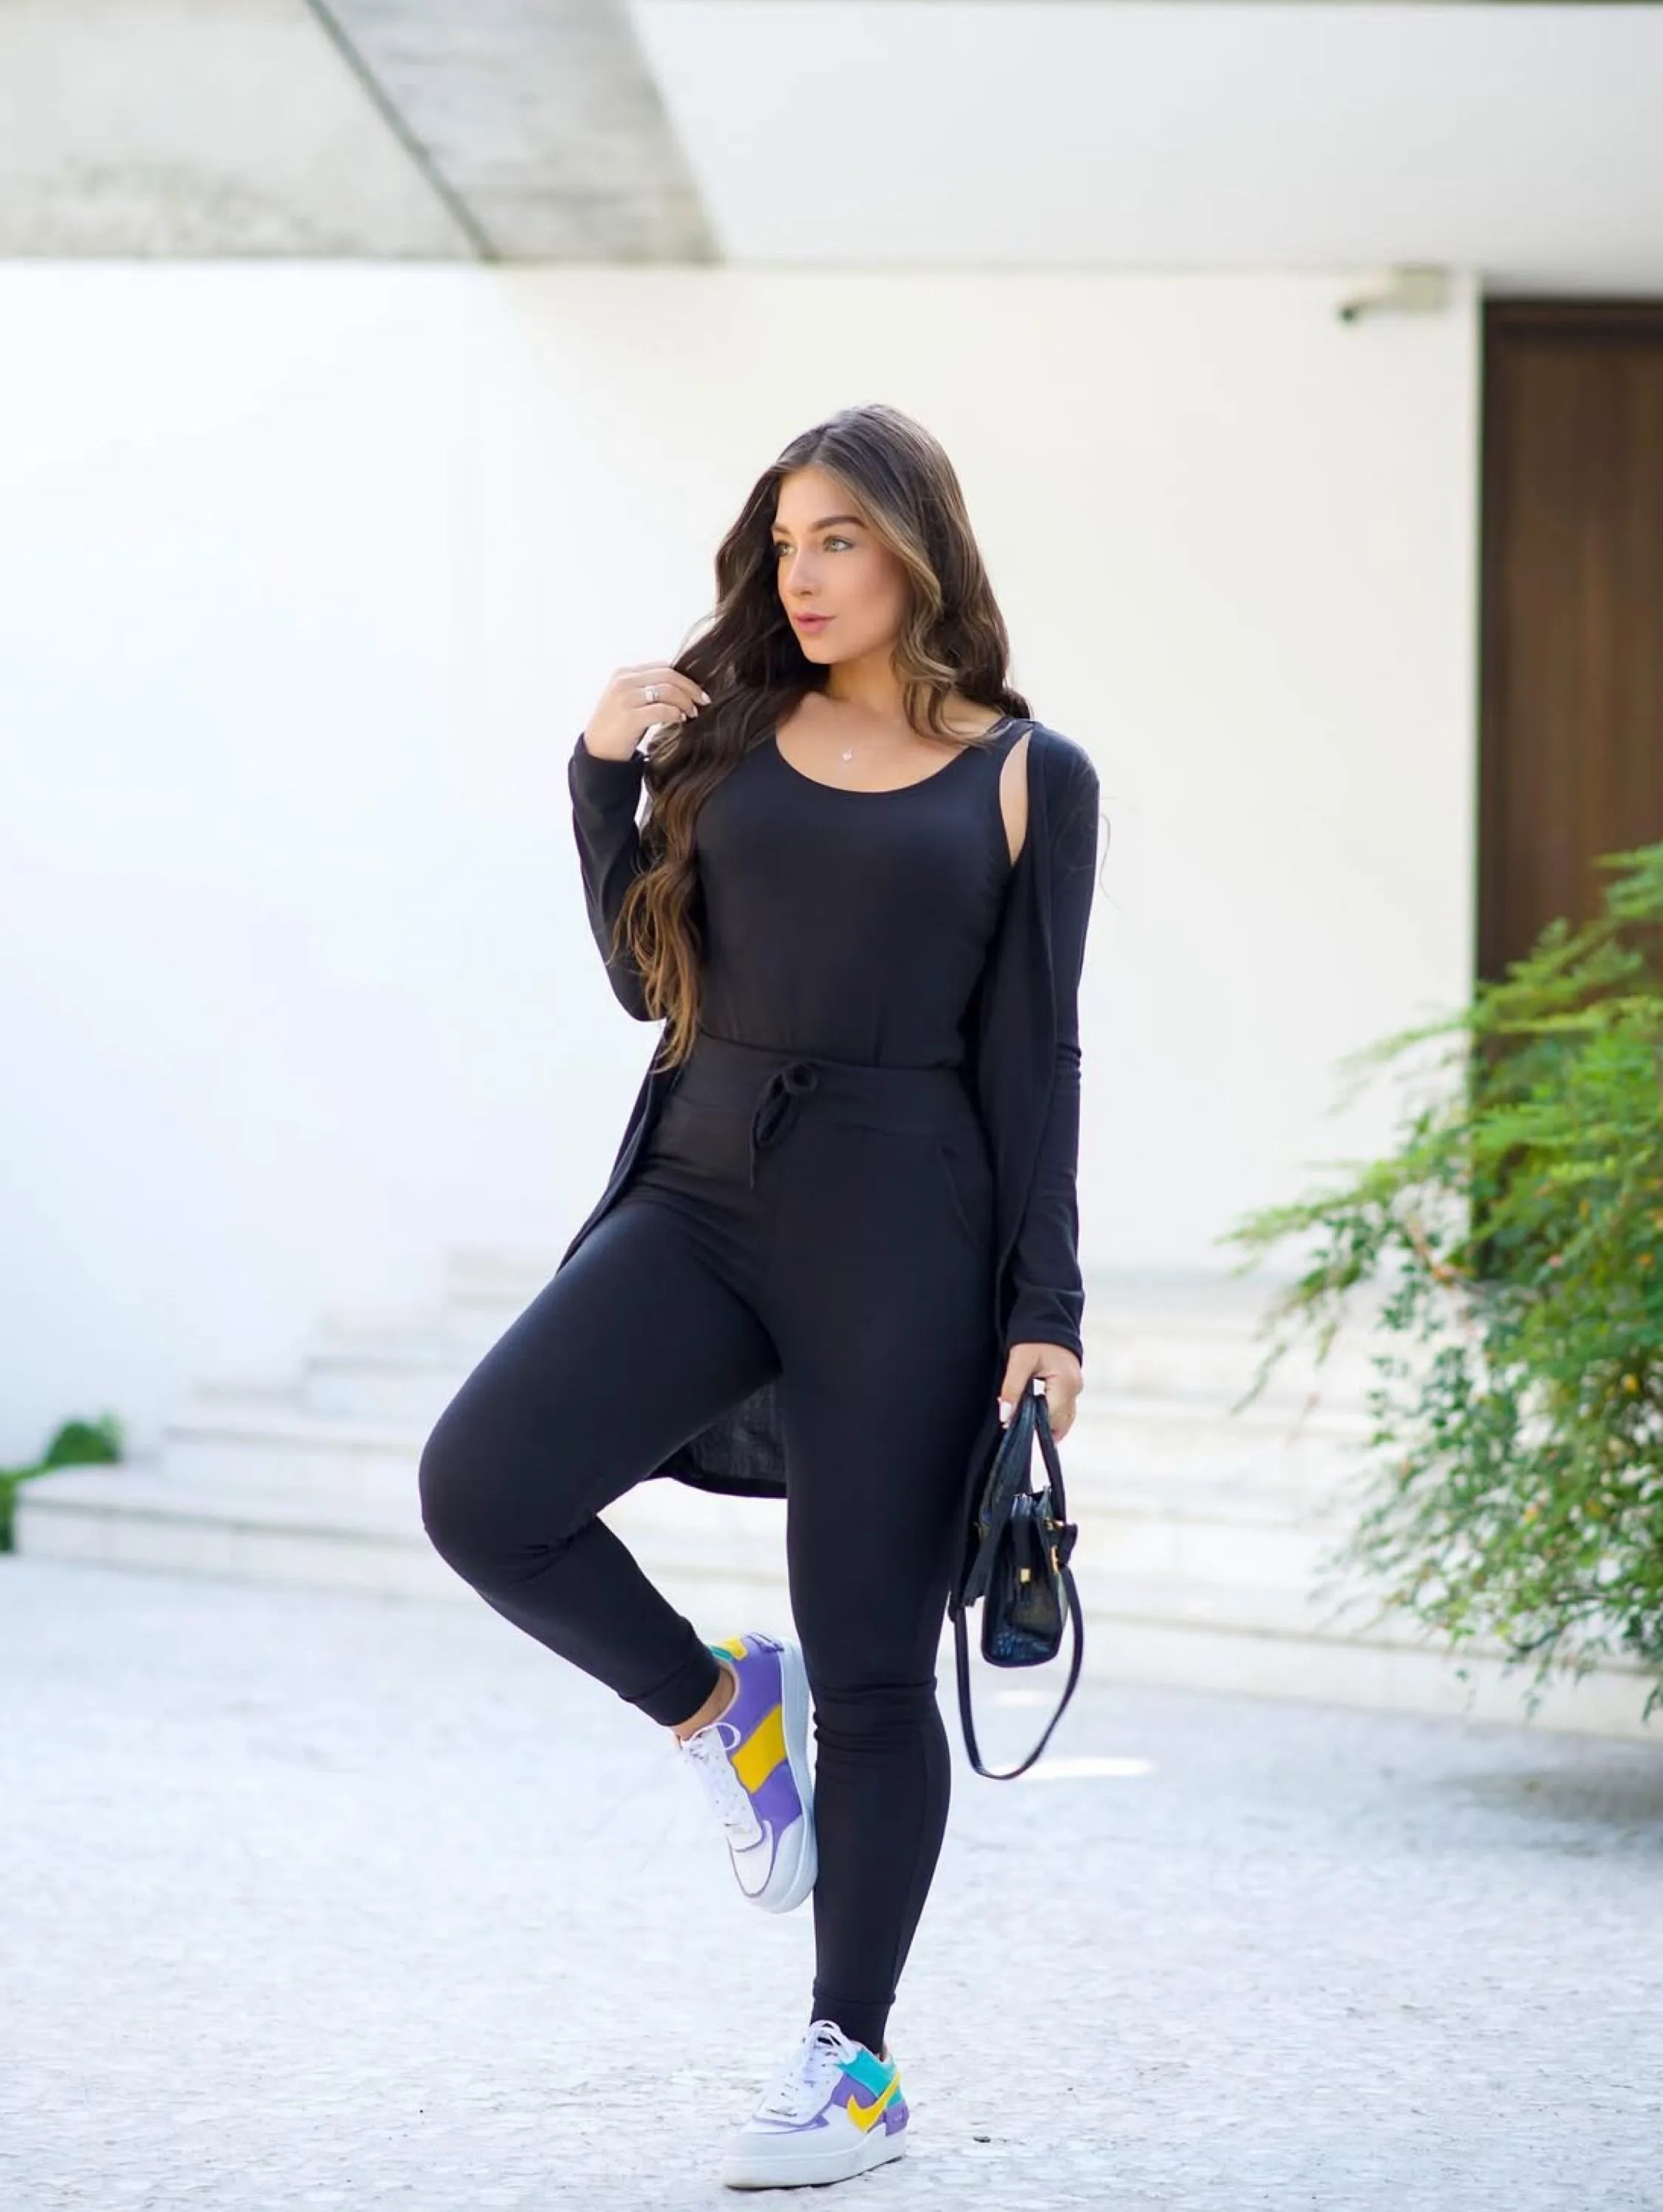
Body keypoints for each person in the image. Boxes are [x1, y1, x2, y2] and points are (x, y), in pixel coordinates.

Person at [418, 400, 1101, 2192]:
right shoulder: (725, 737)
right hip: (704, 1185)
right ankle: (722, 1709)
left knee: (874, 1663)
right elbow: (647, 981)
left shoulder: (1029, 775)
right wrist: (597, 777)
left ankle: (850, 2058)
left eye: (839, 538)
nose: (802, 573)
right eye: (785, 540)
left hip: (911, 1231)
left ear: (917, 548)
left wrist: (1047, 1303)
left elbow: (1038, 1051)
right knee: (482, 1487)